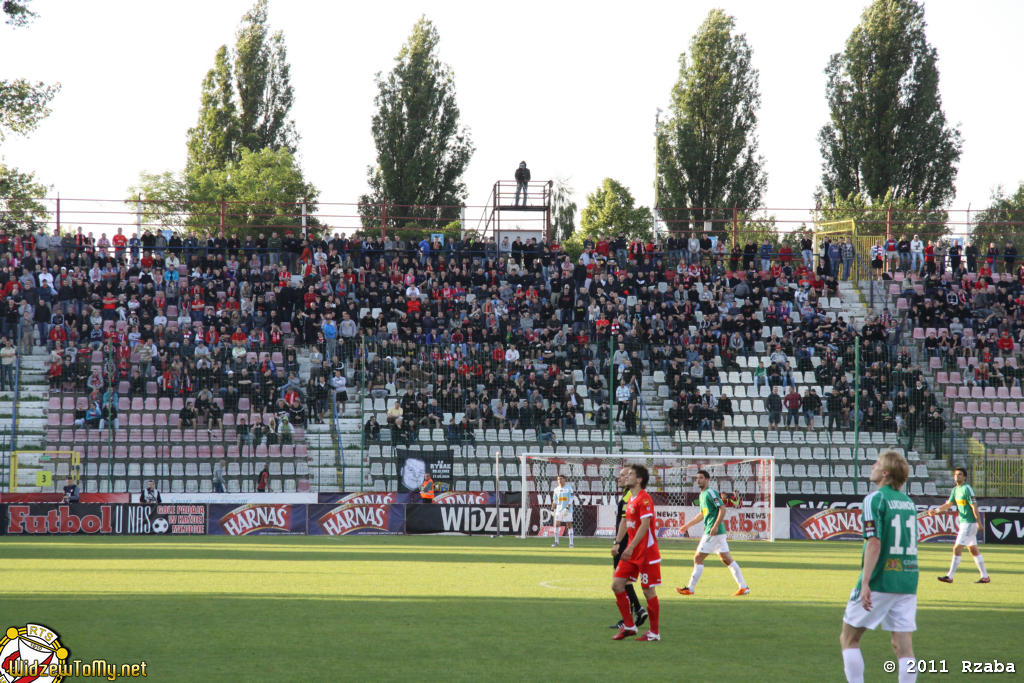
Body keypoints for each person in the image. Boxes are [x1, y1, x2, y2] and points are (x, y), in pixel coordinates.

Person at [839, 449, 919, 683]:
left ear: (885, 472)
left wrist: (865, 582)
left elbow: (874, 541)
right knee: (903, 647)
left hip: (881, 578)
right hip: (907, 579)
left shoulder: (875, 499)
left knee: (849, 638)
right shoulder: (908, 503)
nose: (872, 466)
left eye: (876, 463)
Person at [675, 469, 749, 597]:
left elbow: (722, 508)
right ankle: (743, 587)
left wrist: (715, 526)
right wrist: (687, 525)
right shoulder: (702, 494)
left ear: (707, 479)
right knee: (726, 559)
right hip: (717, 532)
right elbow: (702, 514)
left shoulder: (711, 492)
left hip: (713, 532)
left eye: (701, 478)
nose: (698, 480)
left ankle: (690, 588)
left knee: (698, 558)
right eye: (697, 478)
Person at [610, 464, 661, 641]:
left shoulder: (645, 499)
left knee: (648, 591)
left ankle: (654, 633)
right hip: (630, 552)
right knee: (617, 584)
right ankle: (630, 626)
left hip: (646, 553)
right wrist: (618, 544)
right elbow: (625, 522)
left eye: (630, 474)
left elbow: (645, 526)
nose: (626, 477)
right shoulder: (630, 498)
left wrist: (630, 548)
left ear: (639, 479)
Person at [928, 467, 989, 584]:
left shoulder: (967, 489)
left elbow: (974, 506)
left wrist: (979, 522)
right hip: (964, 523)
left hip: (969, 523)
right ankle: (985, 576)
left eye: (960, 474)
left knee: (957, 548)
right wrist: (935, 510)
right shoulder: (956, 490)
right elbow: (948, 504)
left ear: (965, 477)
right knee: (973, 550)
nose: (957, 476)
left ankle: (950, 576)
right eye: (956, 475)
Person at [608, 467, 648, 631]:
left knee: (620, 580)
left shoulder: (630, 497)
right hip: (625, 542)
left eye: (624, 475)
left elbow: (626, 522)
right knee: (622, 580)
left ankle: (632, 616)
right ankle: (638, 610)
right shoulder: (628, 496)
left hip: (625, 544)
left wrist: (618, 542)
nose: (620, 478)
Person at [550, 474, 574, 548]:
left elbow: (571, 498)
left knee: (569, 525)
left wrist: (567, 508)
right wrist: (552, 509)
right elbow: (555, 500)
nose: (559, 480)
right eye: (558, 479)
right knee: (557, 525)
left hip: (568, 510)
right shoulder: (556, 489)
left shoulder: (569, 488)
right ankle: (556, 542)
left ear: (565, 480)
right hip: (559, 510)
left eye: (561, 479)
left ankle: (571, 543)